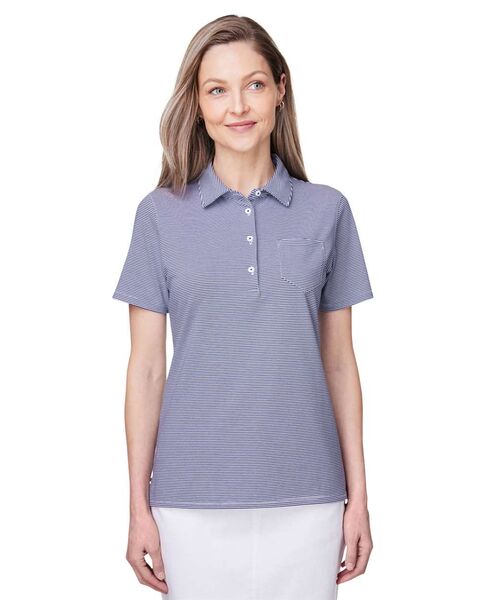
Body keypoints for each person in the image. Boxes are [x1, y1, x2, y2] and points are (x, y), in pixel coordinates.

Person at [112, 14, 374, 600]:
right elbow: (146, 369)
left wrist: (359, 497)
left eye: (254, 84)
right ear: (197, 103)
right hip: (190, 501)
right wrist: (136, 507)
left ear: (280, 88)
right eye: (217, 90)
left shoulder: (328, 210)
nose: (238, 106)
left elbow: (339, 363)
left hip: (309, 497)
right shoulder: (159, 215)